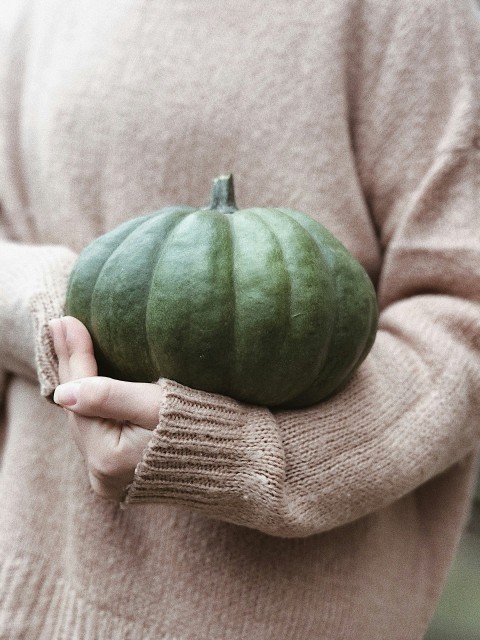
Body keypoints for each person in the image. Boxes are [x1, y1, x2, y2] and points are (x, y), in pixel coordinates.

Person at [1, 0, 479, 638]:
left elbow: (463, 315)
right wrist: (56, 308)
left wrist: (253, 456)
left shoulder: (412, 14)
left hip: (278, 616)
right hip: (30, 591)